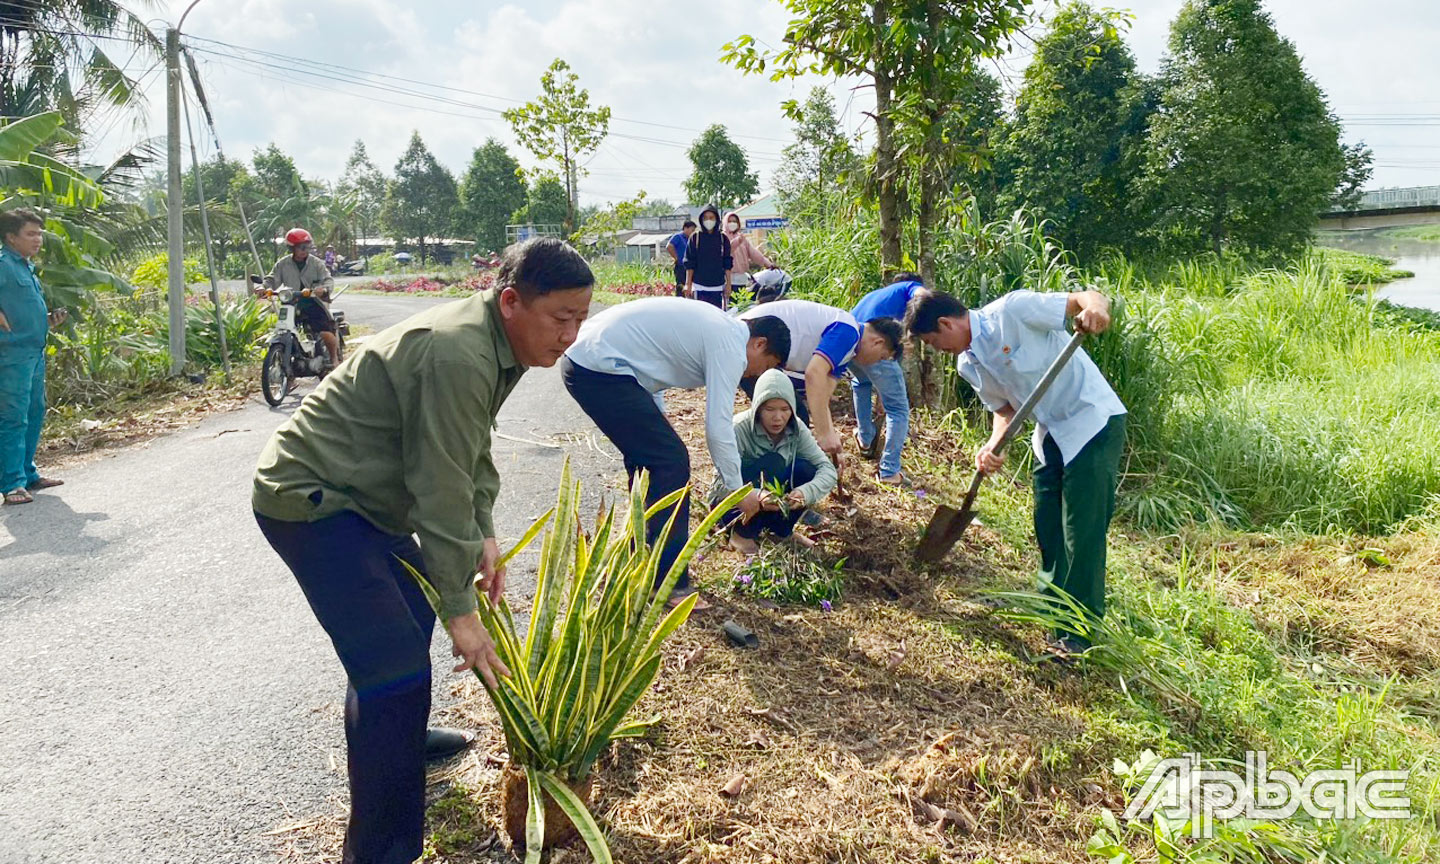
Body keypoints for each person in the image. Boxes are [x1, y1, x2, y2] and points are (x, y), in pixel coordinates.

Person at [252, 238, 596, 864]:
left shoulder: (504, 339)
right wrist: (463, 615)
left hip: (366, 499)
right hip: (314, 500)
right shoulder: (460, 350)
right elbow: (439, 485)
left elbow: (472, 448)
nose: (571, 335)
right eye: (562, 319)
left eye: (582, 318)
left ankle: (400, 741)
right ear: (512, 300)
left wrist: (485, 528)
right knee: (393, 664)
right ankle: (380, 851)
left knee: (406, 628)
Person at [906, 288, 1125, 657]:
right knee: (1048, 526)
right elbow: (1005, 408)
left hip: (1091, 421)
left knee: (1081, 531)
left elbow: (1087, 297)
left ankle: (1078, 635)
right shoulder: (968, 364)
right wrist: (994, 445)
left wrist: (1095, 313)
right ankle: (1056, 613)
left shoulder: (1013, 311)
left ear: (946, 323)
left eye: (933, 341)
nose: (937, 350)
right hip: (1051, 432)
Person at [561, 297, 790, 605]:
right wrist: (738, 491)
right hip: (598, 367)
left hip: (591, 362)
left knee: (651, 461)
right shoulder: (731, 346)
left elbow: (651, 366)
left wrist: (657, 418)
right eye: (768, 366)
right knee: (670, 462)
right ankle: (666, 582)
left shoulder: (719, 328)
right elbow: (718, 426)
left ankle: (637, 561)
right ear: (760, 344)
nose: (757, 375)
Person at [738, 298, 904, 459]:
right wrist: (824, 434)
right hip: (752, 348)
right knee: (790, 416)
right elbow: (814, 373)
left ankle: (785, 470)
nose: (876, 362)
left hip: (764, 357)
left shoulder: (847, 353)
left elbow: (823, 395)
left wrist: (830, 438)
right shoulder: (848, 331)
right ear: (877, 342)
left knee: (794, 418)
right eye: (881, 357)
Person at [723, 369, 837, 555]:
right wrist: (754, 495)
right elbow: (720, 483)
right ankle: (741, 534)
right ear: (758, 408)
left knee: (806, 469)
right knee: (773, 462)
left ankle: (780, 531)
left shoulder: (796, 428)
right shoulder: (738, 428)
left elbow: (827, 469)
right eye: (769, 409)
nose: (778, 418)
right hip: (734, 506)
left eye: (785, 409)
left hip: (771, 503)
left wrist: (804, 493)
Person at [0, 208, 65, 506]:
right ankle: (12, 483)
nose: (38, 239)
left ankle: (28, 474)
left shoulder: (25, 267)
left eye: (39, 233)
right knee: (13, 417)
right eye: (31, 234)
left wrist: (48, 321)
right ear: (11, 237)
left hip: (34, 350)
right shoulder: (3, 265)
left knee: (35, 410)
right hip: (11, 354)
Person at [849, 273, 926, 486]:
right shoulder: (910, 288)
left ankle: (865, 439)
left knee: (861, 382)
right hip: (874, 346)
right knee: (898, 409)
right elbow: (921, 295)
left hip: (849, 345)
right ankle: (889, 470)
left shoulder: (878, 295)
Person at [265, 228, 341, 369]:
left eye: (307, 247)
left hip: (313, 302)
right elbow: (271, 279)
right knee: (284, 331)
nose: (304, 250)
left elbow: (328, 280)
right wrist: (264, 288)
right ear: (292, 248)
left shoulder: (316, 263)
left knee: (325, 330)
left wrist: (323, 289)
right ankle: (288, 370)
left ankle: (334, 359)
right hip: (291, 304)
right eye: (301, 247)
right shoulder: (282, 264)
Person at [683, 204, 732, 308]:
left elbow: (727, 263)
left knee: (717, 318)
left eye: (711, 218)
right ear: (701, 220)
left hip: (718, 287)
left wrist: (728, 284)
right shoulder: (695, 238)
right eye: (705, 218)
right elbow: (690, 262)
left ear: (716, 219)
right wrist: (688, 284)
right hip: (699, 286)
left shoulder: (723, 239)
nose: (708, 221)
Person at [723, 211, 773, 298]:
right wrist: (737, 241)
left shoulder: (742, 239)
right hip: (728, 280)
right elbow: (727, 251)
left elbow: (754, 253)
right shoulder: (722, 237)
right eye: (730, 221)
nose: (732, 223)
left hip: (742, 279)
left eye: (734, 221)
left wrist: (768, 264)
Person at [666, 220, 696, 297]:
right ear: (686, 228)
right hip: (681, 266)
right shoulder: (678, 237)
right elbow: (669, 246)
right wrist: (676, 257)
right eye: (692, 230)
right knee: (681, 286)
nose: (693, 232)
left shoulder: (691, 239)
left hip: (690, 267)